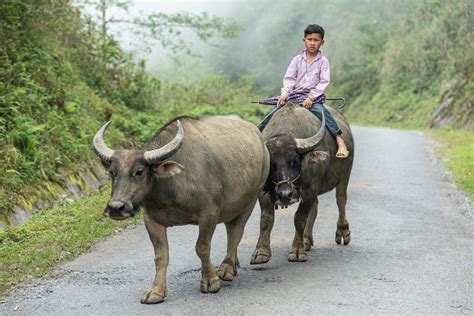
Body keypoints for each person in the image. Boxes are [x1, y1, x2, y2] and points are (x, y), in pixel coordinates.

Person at [257, 24, 349, 158]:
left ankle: (340, 141)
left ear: (322, 42)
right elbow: (289, 78)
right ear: (304, 40)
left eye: (316, 40)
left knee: (323, 113)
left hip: (313, 98)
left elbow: (323, 82)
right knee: (271, 113)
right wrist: (285, 93)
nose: (312, 43)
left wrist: (311, 98)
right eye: (310, 39)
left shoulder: (323, 62)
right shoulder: (296, 60)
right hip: (293, 96)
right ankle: (256, 137)